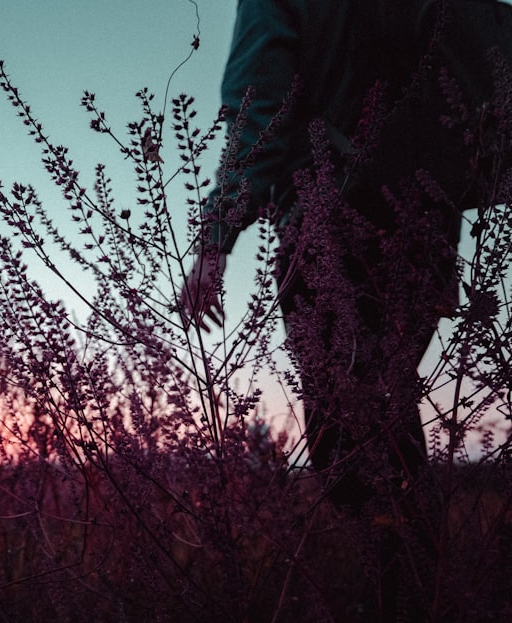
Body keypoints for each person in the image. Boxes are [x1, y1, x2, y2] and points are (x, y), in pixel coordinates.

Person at [181, 0, 465, 510]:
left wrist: (214, 240)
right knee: (389, 402)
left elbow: (259, 106)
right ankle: (419, 577)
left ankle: (390, 582)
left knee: (348, 435)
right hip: (433, 223)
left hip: (333, 220)